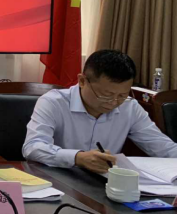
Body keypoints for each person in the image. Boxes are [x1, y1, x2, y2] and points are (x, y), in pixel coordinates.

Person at [23, 50, 177, 173]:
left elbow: (163, 147)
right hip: (59, 176)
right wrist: (78, 157)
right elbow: (33, 147)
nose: (114, 102)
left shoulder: (129, 107)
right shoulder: (53, 102)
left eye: (122, 95)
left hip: (104, 183)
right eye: (106, 95)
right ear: (82, 81)